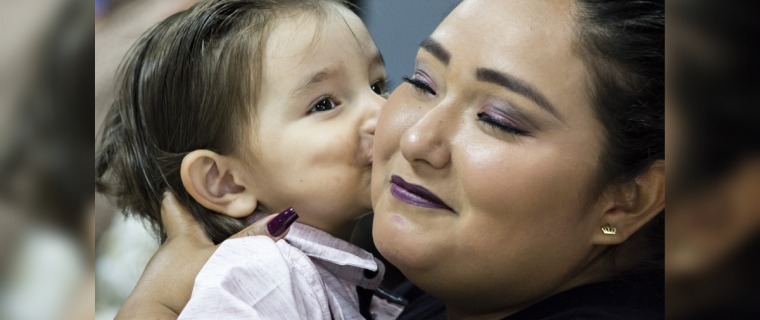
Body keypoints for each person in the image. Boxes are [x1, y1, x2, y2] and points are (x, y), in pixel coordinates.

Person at [121, 0, 666, 319]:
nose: (404, 133)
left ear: (630, 196)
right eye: (422, 81)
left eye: (498, 119)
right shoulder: (386, 278)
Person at [95, 0, 404, 319]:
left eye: (377, 86)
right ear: (225, 183)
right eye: (324, 104)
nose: (384, 111)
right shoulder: (260, 278)